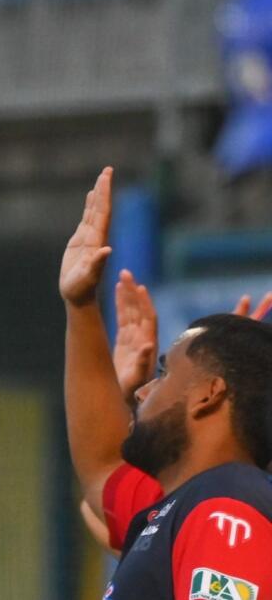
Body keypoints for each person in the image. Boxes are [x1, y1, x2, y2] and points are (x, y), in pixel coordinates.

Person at [60, 167, 272, 598]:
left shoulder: (227, 504)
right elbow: (102, 466)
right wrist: (79, 305)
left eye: (163, 373)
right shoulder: (184, 505)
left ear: (209, 392)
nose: (143, 391)